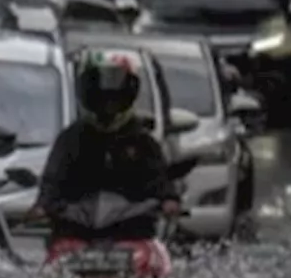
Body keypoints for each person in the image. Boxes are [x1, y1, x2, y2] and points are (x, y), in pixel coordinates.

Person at [28, 50, 181, 241]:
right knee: (54, 264)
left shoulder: (143, 141)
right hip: (74, 232)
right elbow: (52, 179)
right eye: (101, 97)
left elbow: (159, 178)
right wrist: (42, 205)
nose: (108, 105)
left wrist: (169, 200)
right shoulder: (70, 139)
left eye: (114, 98)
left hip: (132, 233)